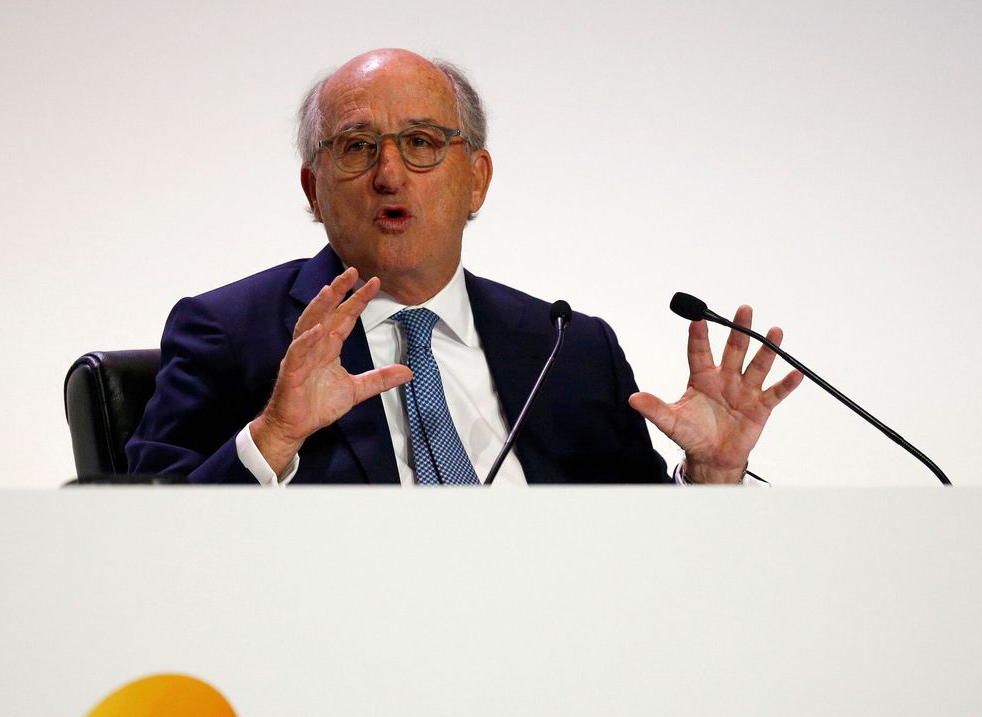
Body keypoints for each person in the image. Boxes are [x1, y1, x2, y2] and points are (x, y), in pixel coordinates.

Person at [127, 49, 802, 485]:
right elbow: (146, 546)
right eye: (357, 147)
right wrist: (274, 435)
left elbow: (646, 556)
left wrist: (712, 476)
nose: (390, 174)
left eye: (422, 142)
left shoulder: (570, 349)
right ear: (313, 188)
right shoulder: (229, 332)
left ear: (476, 180)